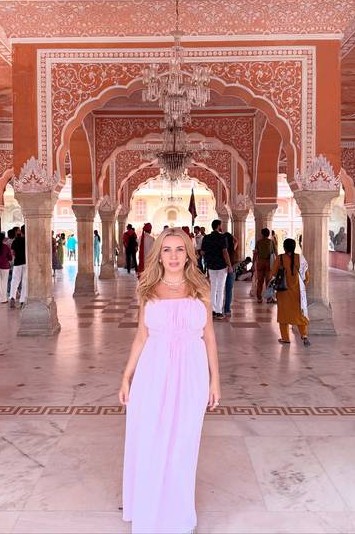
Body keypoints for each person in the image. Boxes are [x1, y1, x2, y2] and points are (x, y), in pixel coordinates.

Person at [119, 228, 221, 534]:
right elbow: (141, 336)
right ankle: (149, 510)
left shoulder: (200, 287)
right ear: (158, 254)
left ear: (188, 253)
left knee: (183, 444)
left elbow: (210, 337)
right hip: (153, 370)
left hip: (192, 372)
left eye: (180, 249)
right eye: (167, 250)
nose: (174, 256)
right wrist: (126, 377)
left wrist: (215, 380)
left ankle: (177, 515)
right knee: (151, 439)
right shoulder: (147, 288)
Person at [270, 238, 310, 346]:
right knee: (299, 313)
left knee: (283, 315)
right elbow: (306, 276)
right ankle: (304, 335)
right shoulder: (300, 258)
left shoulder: (280, 258)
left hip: (283, 292)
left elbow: (273, 273)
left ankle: (286, 338)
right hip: (298, 292)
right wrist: (302, 287)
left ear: (284, 247)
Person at [201, 219, 232, 318]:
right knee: (220, 288)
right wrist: (229, 265)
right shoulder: (222, 237)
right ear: (218, 226)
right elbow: (225, 252)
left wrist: (208, 258)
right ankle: (219, 311)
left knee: (213, 288)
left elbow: (202, 252)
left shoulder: (206, 237)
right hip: (221, 266)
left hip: (211, 266)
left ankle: (213, 310)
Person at [253, 228, 276, 303]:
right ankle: (269, 298)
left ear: (262, 234)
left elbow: (255, 253)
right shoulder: (271, 242)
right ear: (268, 234)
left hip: (260, 262)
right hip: (268, 263)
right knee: (268, 281)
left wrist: (253, 263)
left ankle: (259, 298)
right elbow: (276, 253)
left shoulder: (258, 242)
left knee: (260, 281)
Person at [9, 225, 27, 309]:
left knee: (15, 281)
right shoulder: (28, 240)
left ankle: (12, 297)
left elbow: (13, 252)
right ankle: (22, 301)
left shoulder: (16, 240)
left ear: (21, 231)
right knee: (24, 281)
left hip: (17, 263)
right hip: (26, 263)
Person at [223, 229, 238, 317]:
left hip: (222, 269)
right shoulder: (232, 248)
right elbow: (236, 241)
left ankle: (218, 308)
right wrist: (231, 235)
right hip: (231, 269)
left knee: (220, 290)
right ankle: (227, 309)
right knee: (228, 290)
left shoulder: (222, 248)